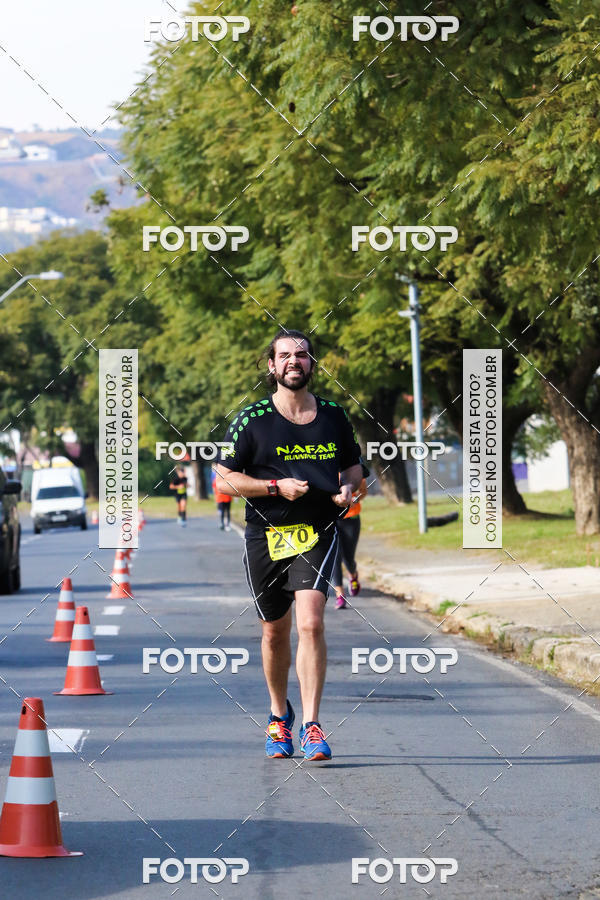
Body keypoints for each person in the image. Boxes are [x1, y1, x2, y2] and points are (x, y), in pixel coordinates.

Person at [215, 329, 363, 761]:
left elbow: (355, 471)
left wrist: (348, 492)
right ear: (271, 366)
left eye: (301, 355)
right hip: (266, 534)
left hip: (317, 531)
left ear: (312, 363)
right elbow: (223, 477)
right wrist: (275, 487)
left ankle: (313, 726)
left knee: (311, 623)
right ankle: (279, 717)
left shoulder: (335, 416)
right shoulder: (251, 419)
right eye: (284, 356)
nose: (293, 361)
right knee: (274, 631)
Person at [332, 475, 367, 609]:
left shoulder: (354, 471)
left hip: (351, 518)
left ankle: (353, 575)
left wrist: (355, 499)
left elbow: (363, 492)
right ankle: (340, 595)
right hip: (332, 518)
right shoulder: (326, 467)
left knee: (348, 558)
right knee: (335, 556)